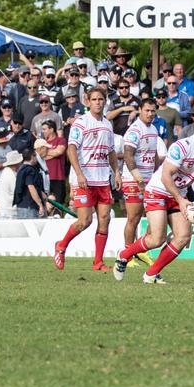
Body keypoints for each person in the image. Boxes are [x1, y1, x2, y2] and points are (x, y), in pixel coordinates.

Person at [114, 111, 194, 284]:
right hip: (158, 190)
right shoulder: (183, 146)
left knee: (183, 237)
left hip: (179, 195)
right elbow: (166, 176)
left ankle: (151, 274)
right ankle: (124, 255)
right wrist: (181, 201)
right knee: (157, 239)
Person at [54, 88, 120, 272]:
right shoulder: (81, 123)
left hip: (102, 180)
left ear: (105, 101)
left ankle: (98, 262)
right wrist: (79, 173)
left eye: (101, 99)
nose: (98, 102)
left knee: (105, 218)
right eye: (94, 99)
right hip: (84, 179)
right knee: (85, 221)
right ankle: (61, 246)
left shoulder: (107, 125)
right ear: (88, 102)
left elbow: (111, 151)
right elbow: (71, 149)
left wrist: (116, 172)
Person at [121, 98, 160, 267]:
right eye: (147, 110)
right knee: (134, 218)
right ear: (140, 110)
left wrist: (157, 175)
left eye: (153, 111)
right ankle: (127, 254)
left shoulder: (154, 129)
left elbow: (155, 155)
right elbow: (128, 155)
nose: (150, 114)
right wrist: (138, 178)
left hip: (150, 179)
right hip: (133, 180)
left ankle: (141, 251)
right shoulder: (134, 130)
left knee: (153, 217)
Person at [40, 121, 67, 213]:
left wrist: (46, 153)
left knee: (59, 204)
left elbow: (59, 152)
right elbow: (40, 155)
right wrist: (53, 152)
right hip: (46, 178)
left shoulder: (61, 140)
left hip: (58, 176)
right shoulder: (42, 143)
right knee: (46, 204)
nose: (43, 131)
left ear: (51, 129)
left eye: (44, 129)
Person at [13, 148, 46, 219]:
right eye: (35, 156)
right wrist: (40, 204)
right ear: (32, 157)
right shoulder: (30, 170)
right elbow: (31, 187)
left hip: (21, 205)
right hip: (29, 207)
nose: (37, 158)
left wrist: (42, 194)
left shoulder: (20, 169)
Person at [0, 150, 22, 219]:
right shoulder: (11, 175)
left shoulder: (6, 171)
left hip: (4, 209)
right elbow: (17, 192)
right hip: (9, 212)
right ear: (17, 163)